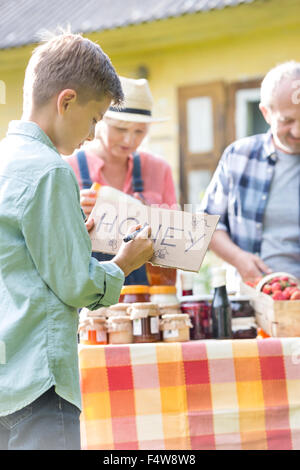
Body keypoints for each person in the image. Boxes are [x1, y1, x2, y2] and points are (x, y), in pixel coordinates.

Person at [0, 32, 153, 450]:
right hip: (39, 380)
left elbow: (21, 256)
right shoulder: (51, 170)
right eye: (95, 118)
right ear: (66, 101)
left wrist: (72, 240)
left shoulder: (6, 158)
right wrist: (123, 261)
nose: (92, 133)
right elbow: (76, 285)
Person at [65, 76, 178, 285]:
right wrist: (72, 212)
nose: (130, 140)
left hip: (146, 294)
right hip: (87, 292)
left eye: (139, 132)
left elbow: (176, 243)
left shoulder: (158, 169)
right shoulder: (66, 169)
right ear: (99, 121)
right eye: (121, 129)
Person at [201, 61, 300, 282]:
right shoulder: (239, 156)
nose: (297, 130)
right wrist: (238, 258)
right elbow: (208, 224)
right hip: (251, 296)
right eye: (287, 120)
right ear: (266, 113)